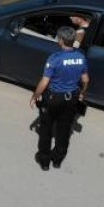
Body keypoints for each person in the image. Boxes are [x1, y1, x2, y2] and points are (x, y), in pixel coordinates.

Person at [30, 26, 89, 170]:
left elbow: (44, 82)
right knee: (64, 131)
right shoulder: (81, 57)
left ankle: (44, 161)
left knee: (46, 130)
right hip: (72, 98)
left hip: (53, 99)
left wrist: (34, 96)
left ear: (61, 40)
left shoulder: (55, 58)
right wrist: (82, 92)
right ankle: (57, 160)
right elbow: (86, 79)